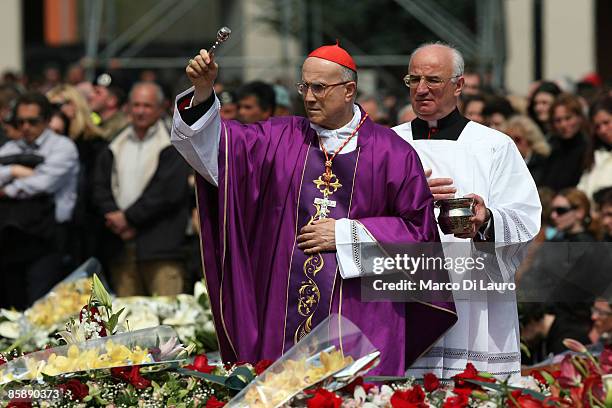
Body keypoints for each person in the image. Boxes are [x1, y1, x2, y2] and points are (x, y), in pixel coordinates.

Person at [170, 42, 457, 375]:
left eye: (319, 88)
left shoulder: (391, 152)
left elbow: (419, 237)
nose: (308, 97)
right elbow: (213, 151)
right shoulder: (279, 137)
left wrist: (346, 233)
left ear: (349, 90)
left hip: (360, 314)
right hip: (280, 308)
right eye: (304, 86)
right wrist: (204, 93)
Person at [393, 42, 541, 378]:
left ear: (458, 85)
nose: (421, 89)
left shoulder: (493, 146)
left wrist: (486, 221)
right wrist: (410, 199)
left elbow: (525, 217)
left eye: (433, 79)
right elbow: (362, 215)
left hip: (475, 293)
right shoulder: (388, 144)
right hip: (408, 295)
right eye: (413, 80)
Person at [93, 82, 190, 297]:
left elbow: (167, 192)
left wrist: (128, 219)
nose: (140, 111)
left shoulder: (173, 143)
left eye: (147, 105)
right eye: (135, 105)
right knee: (127, 320)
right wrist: (113, 215)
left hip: (161, 247)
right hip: (121, 247)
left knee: (168, 317)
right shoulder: (115, 142)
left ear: (161, 107)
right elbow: (100, 185)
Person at [0, 92, 79, 309]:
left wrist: (8, 188)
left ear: (45, 120)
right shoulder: (11, 148)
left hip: (49, 238)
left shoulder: (62, 147)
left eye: (32, 121)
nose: (25, 127)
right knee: (14, 306)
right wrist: (15, 170)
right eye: (20, 122)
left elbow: (44, 183)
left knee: (41, 307)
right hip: (13, 237)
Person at [539, 93, 590, 192]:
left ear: (579, 118)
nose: (563, 124)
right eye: (558, 120)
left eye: (568, 118)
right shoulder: (552, 150)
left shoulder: (588, 149)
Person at [578, 96, 612, 201]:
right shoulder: (595, 156)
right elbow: (582, 191)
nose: (602, 130)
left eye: (606, 123)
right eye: (597, 126)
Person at [504, 115, 550, 185]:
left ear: (529, 140)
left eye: (517, 139)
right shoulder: (504, 165)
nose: (512, 144)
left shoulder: (543, 164)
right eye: (509, 140)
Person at [88, 73, 129, 140]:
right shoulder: (98, 125)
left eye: (97, 92)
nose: (91, 96)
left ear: (112, 100)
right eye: (92, 91)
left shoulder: (122, 131)